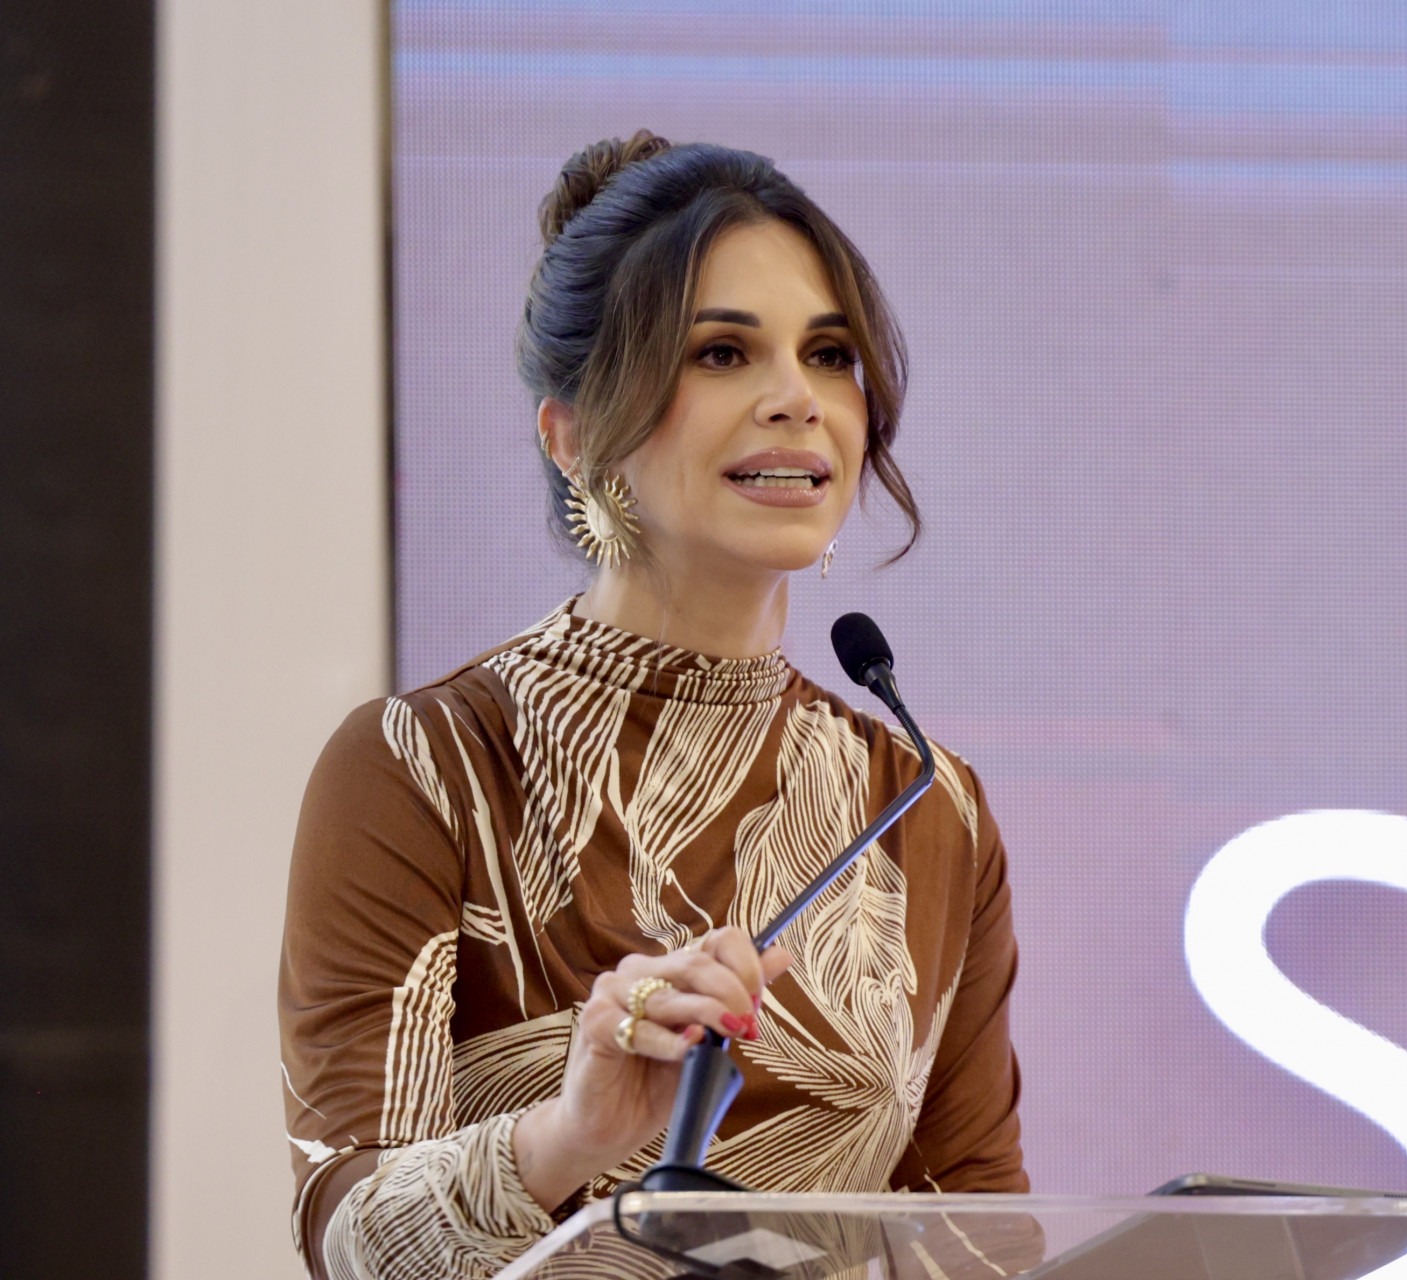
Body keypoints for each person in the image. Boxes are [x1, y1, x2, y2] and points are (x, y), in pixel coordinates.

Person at [278, 131, 1027, 1280]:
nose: (798, 398)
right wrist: (568, 1134)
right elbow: (347, 1236)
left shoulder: (927, 803)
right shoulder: (427, 763)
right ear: (574, 433)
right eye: (723, 352)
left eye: (830, 354)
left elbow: (983, 1230)